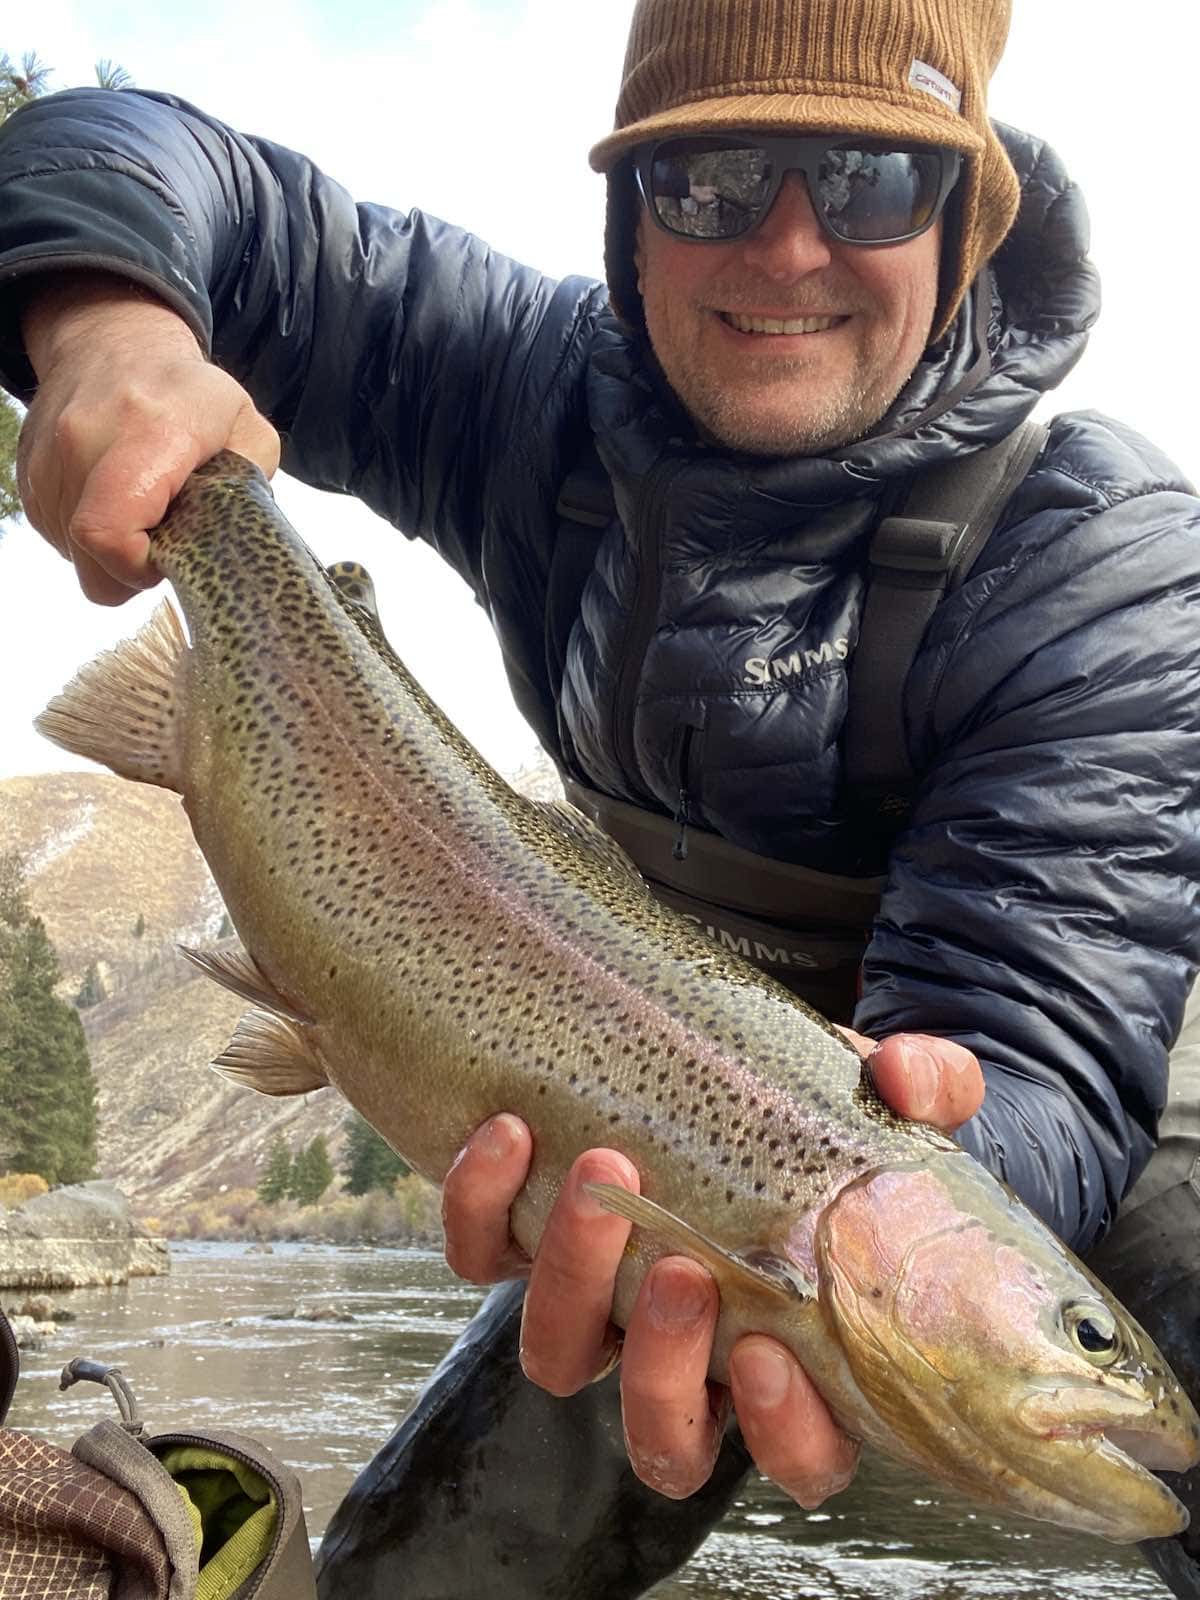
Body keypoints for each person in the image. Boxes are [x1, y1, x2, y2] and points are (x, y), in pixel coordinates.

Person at [0, 0, 1198, 1595]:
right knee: (429, 1574)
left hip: (1020, 1117)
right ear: (632, 214)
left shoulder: (1107, 559)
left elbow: (1037, 1047)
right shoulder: (533, 390)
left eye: (867, 182)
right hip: (632, 1091)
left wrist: (908, 1254)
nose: (785, 249)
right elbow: (126, 150)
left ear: (967, 221)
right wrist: (113, 328)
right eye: (707, 181)